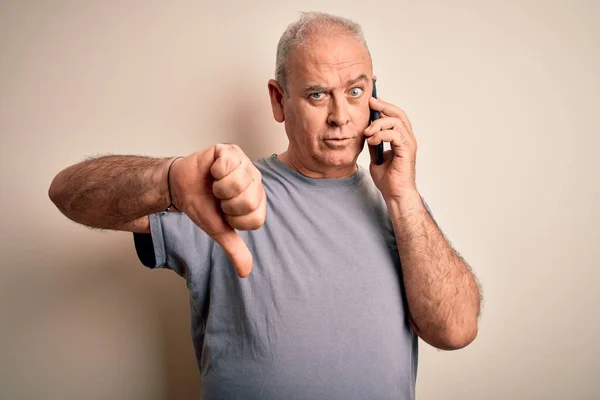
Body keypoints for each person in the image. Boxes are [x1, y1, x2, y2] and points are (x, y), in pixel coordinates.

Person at [49, 11, 482, 400]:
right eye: (317, 95)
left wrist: (403, 195)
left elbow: (456, 330)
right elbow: (68, 194)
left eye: (355, 91)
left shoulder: (401, 208)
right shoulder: (225, 190)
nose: (340, 116)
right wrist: (168, 178)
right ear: (279, 100)